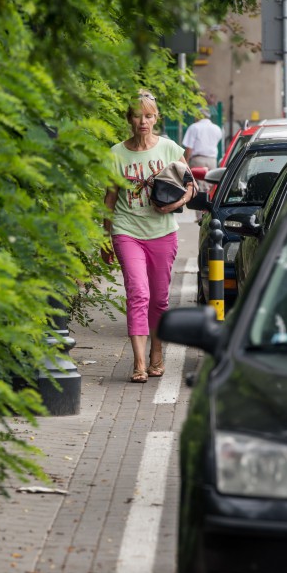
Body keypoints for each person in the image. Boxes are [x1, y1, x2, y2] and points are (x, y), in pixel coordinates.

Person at [102, 90, 195, 383]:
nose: (143, 121)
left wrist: (174, 204)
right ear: (129, 118)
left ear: (156, 118)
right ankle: (139, 363)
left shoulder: (169, 149)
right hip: (126, 230)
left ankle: (157, 353)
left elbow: (191, 186)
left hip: (162, 232)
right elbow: (110, 198)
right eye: (137, 116)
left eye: (149, 116)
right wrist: (104, 238)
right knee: (138, 293)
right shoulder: (116, 153)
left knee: (159, 300)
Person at [181, 105, 223, 222]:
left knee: (198, 186)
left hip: (198, 159)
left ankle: (200, 216)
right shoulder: (216, 128)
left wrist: (186, 162)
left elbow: (189, 147)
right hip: (212, 159)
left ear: (198, 116)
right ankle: (210, 212)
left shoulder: (194, 127)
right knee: (211, 185)